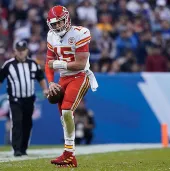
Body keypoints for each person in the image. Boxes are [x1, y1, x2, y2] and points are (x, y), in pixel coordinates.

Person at [45, 5, 98, 168]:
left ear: (67, 19)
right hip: (63, 78)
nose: (57, 27)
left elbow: (81, 64)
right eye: (54, 24)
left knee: (67, 110)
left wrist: (58, 63)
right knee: (64, 115)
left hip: (81, 76)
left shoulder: (80, 33)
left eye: (60, 23)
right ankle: (69, 155)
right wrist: (51, 82)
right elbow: (48, 64)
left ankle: (68, 154)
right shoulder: (51, 36)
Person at [0, 40, 49, 157]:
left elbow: (41, 77)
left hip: (29, 99)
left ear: (27, 50)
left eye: (23, 50)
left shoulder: (33, 64)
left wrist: (45, 89)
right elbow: (0, 79)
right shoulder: (8, 64)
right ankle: (16, 149)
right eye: (19, 50)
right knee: (17, 122)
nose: (21, 53)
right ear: (15, 51)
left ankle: (23, 148)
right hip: (15, 99)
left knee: (27, 123)